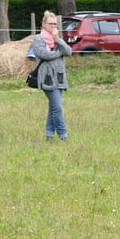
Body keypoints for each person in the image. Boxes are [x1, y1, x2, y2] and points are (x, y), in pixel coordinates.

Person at [31, 10, 72, 141]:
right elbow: (45, 55)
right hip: (47, 79)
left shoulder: (57, 39)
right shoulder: (38, 39)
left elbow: (69, 51)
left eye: (55, 24)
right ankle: (63, 135)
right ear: (43, 24)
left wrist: (57, 39)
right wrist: (59, 53)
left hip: (60, 78)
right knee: (58, 108)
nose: (53, 26)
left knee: (54, 107)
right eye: (50, 23)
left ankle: (49, 134)